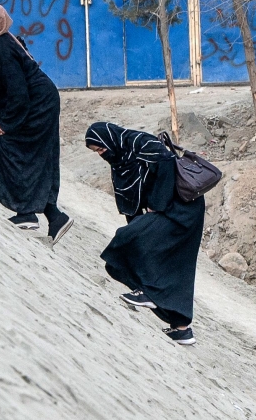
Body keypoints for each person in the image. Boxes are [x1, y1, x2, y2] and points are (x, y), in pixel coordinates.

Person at [0, 2, 72, 244]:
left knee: (5, 150)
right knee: (34, 159)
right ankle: (55, 217)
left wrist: (7, 124)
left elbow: (19, 92)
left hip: (37, 106)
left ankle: (26, 214)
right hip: (33, 104)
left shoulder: (0, 48)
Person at [86, 122, 204, 346]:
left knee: (128, 243)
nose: (102, 154)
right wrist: (138, 223)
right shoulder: (121, 156)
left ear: (108, 139)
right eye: (97, 152)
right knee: (170, 264)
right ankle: (181, 329)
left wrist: (155, 207)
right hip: (166, 209)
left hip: (182, 208)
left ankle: (148, 293)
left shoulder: (141, 143)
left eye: (101, 149)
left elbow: (167, 164)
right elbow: (129, 195)